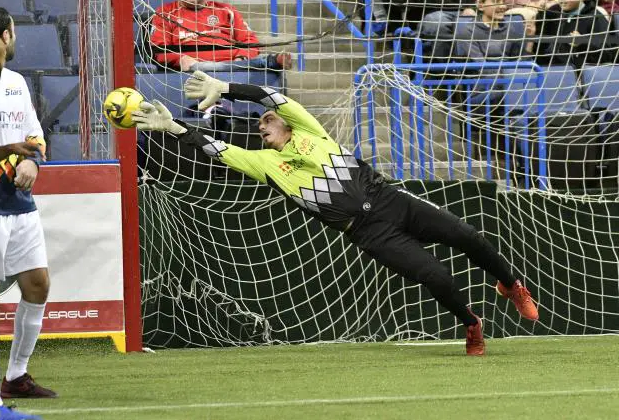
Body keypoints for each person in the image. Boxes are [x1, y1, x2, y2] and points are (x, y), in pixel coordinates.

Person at [132, 71, 540, 356]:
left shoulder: (310, 131)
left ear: (288, 124)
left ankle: (511, 284)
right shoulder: (267, 164)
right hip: (368, 232)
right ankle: (471, 324)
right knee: (436, 277)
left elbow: (270, 98)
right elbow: (219, 151)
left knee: (469, 236)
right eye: (259, 126)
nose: (262, 125)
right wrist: (174, 129)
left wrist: (225, 87)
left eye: (269, 121)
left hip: (390, 200)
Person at [0, 6, 57, 402]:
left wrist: (32, 159)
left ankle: (16, 377)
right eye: (13, 32)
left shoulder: (16, 82)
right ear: (4, 38)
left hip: (20, 206)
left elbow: (34, 135)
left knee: (37, 284)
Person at [150, 0, 292, 72]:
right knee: (201, 68)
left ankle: (262, 62)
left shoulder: (226, 10)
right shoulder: (165, 13)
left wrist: (242, 57)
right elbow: (159, 50)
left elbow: (250, 41)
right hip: (196, 68)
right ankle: (268, 62)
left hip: (234, 66)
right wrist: (180, 59)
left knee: (243, 65)